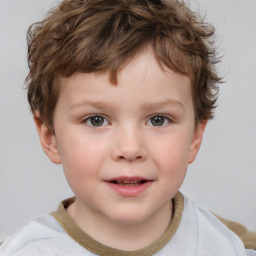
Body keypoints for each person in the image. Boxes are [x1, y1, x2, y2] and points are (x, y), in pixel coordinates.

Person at [0, 0, 255, 255]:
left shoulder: (229, 245)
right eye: (96, 120)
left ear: (195, 137)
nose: (130, 148)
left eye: (158, 120)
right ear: (50, 137)